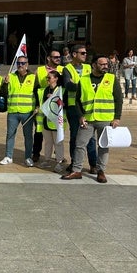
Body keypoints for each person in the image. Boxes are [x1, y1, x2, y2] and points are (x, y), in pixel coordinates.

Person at [62, 55, 123, 182]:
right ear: (94, 65)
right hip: (88, 119)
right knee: (80, 144)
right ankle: (76, 171)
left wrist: (117, 118)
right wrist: (80, 116)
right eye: (102, 64)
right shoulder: (83, 80)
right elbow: (77, 100)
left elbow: (118, 99)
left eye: (106, 64)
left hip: (105, 119)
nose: (105, 66)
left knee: (103, 146)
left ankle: (101, 171)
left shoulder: (111, 79)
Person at [63, 44, 97, 174]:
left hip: (88, 107)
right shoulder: (68, 68)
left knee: (91, 138)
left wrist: (76, 83)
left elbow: (94, 85)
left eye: (85, 53)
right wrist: (84, 85)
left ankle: (93, 164)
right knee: (75, 136)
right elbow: (68, 85)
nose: (85, 55)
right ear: (74, 54)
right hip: (73, 108)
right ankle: (74, 163)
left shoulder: (89, 67)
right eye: (82, 53)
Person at [0, 56, 39, 166]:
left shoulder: (33, 77)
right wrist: (5, 83)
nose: (20, 65)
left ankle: (28, 157)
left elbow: (37, 93)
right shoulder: (11, 76)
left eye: (22, 63)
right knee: (10, 134)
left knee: (28, 136)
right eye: (18, 63)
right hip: (13, 111)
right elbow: (3, 93)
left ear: (27, 64)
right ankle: (8, 156)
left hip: (27, 112)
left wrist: (38, 106)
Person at [32, 50, 64, 163]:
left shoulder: (62, 69)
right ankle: (36, 153)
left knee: (57, 134)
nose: (58, 59)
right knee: (39, 132)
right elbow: (34, 85)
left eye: (59, 57)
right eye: (55, 57)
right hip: (42, 102)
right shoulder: (40, 70)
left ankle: (59, 156)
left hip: (56, 107)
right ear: (48, 58)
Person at [36, 70, 65, 173]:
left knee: (58, 143)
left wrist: (53, 98)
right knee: (48, 142)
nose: (47, 80)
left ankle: (59, 162)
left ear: (56, 78)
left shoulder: (61, 90)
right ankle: (47, 160)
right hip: (46, 121)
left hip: (57, 122)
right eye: (47, 78)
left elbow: (63, 105)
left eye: (49, 78)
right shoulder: (45, 90)